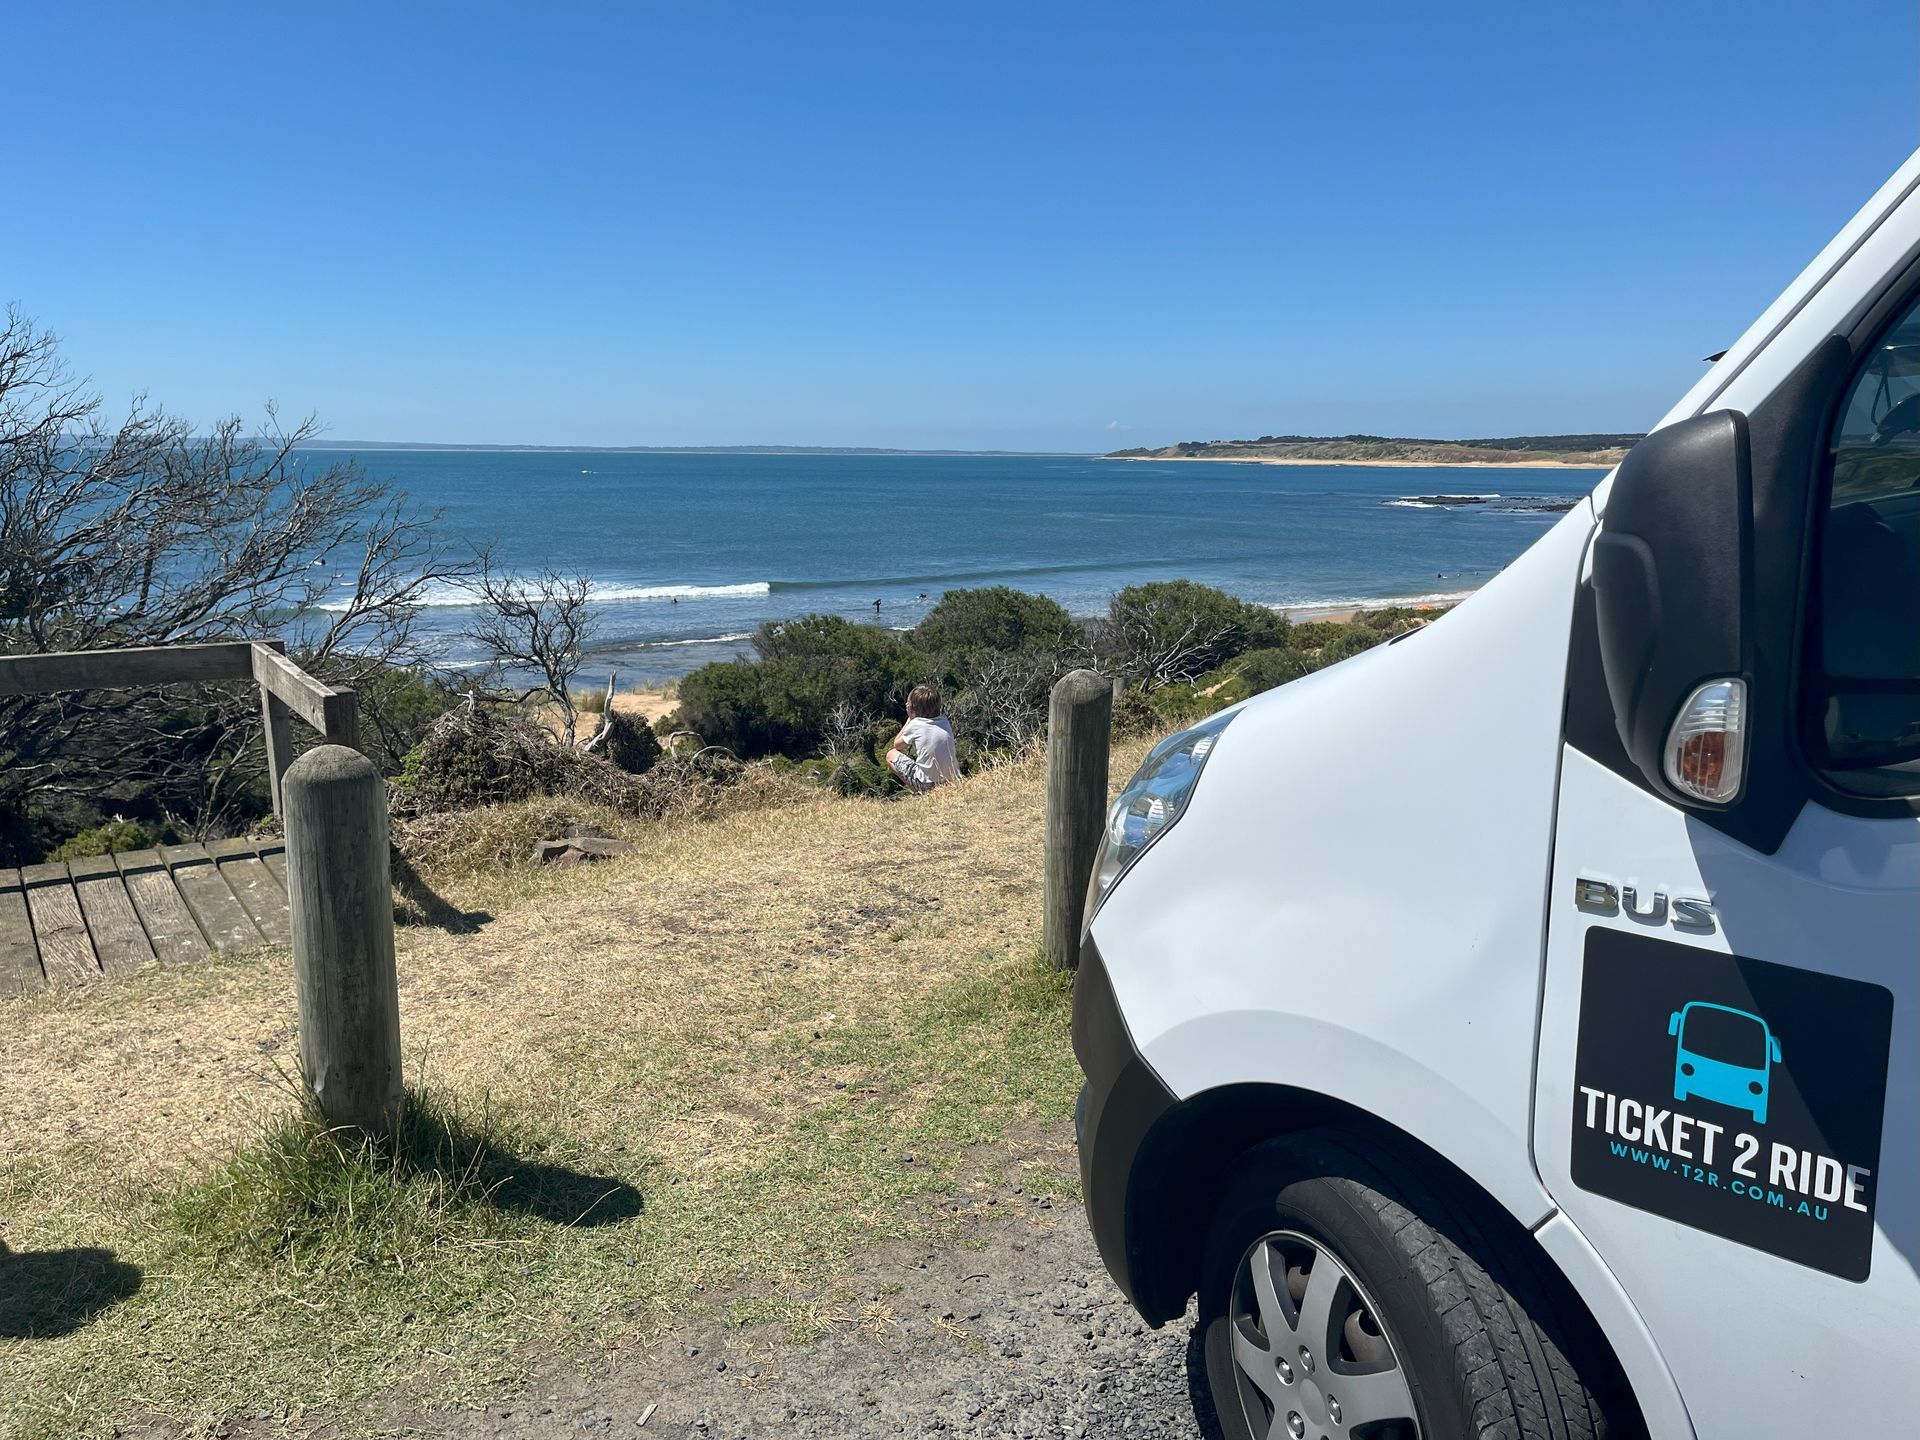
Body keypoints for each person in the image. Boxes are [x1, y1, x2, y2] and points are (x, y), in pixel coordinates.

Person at [885, 684, 960, 792]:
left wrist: (910, 719)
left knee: (891, 754)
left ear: (913, 708)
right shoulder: (945, 721)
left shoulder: (915, 724)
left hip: (927, 784)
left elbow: (897, 745)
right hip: (952, 780)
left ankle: (920, 792)